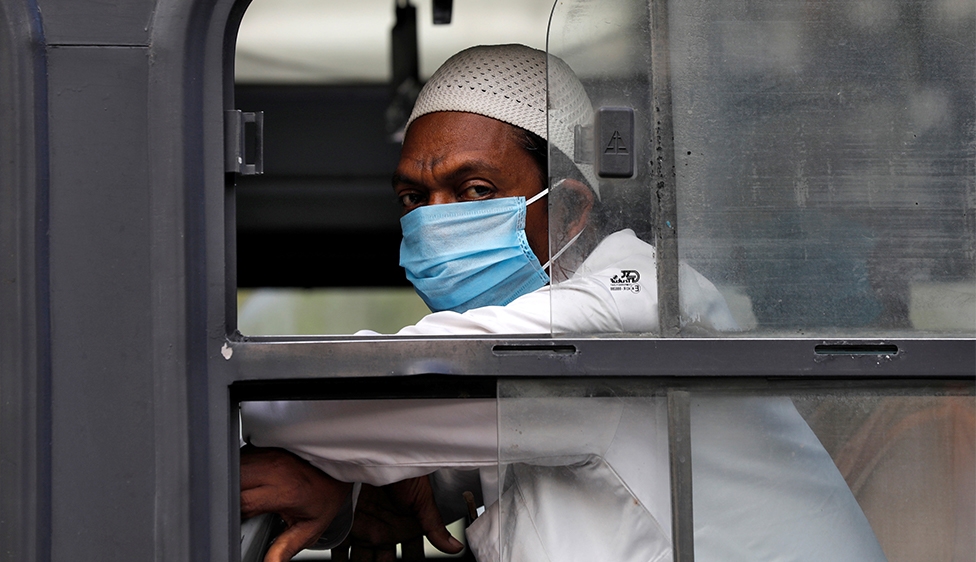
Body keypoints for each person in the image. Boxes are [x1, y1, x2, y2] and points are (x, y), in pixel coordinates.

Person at [240, 44, 885, 562]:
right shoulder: (541, 384)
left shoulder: (625, 315)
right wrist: (368, 488)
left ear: (571, 208)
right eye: (414, 199)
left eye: (474, 190)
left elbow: (303, 401)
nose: (433, 223)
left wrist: (350, 465)